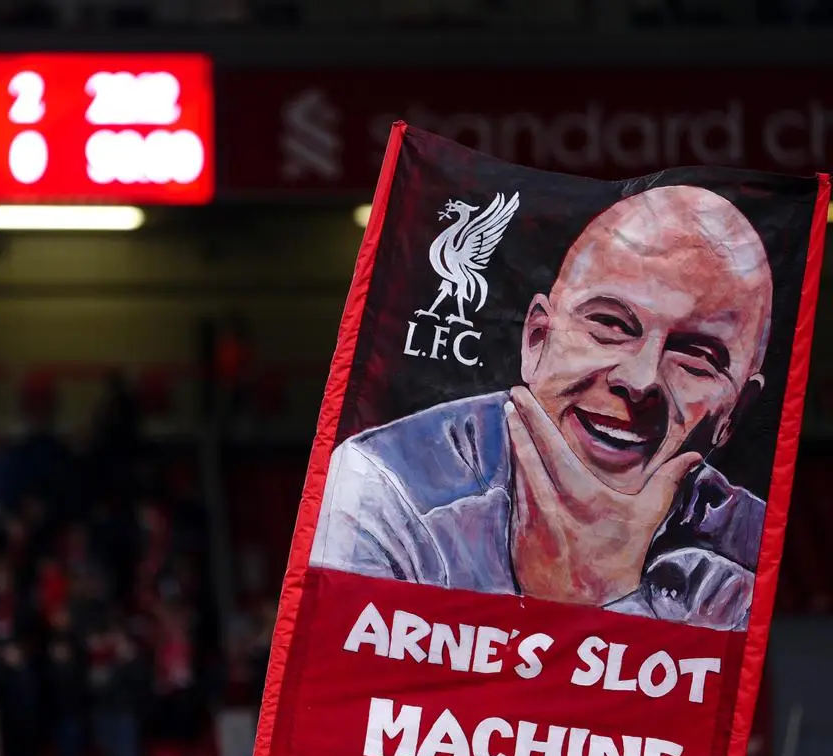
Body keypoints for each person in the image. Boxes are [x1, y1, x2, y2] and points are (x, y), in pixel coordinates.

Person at [312, 185, 773, 631]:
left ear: (735, 411)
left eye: (696, 356)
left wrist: (604, 595)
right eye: (610, 324)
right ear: (536, 340)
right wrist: (567, 605)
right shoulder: (388, 489)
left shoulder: (752, 549)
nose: (639, 380)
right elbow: (349, 701)